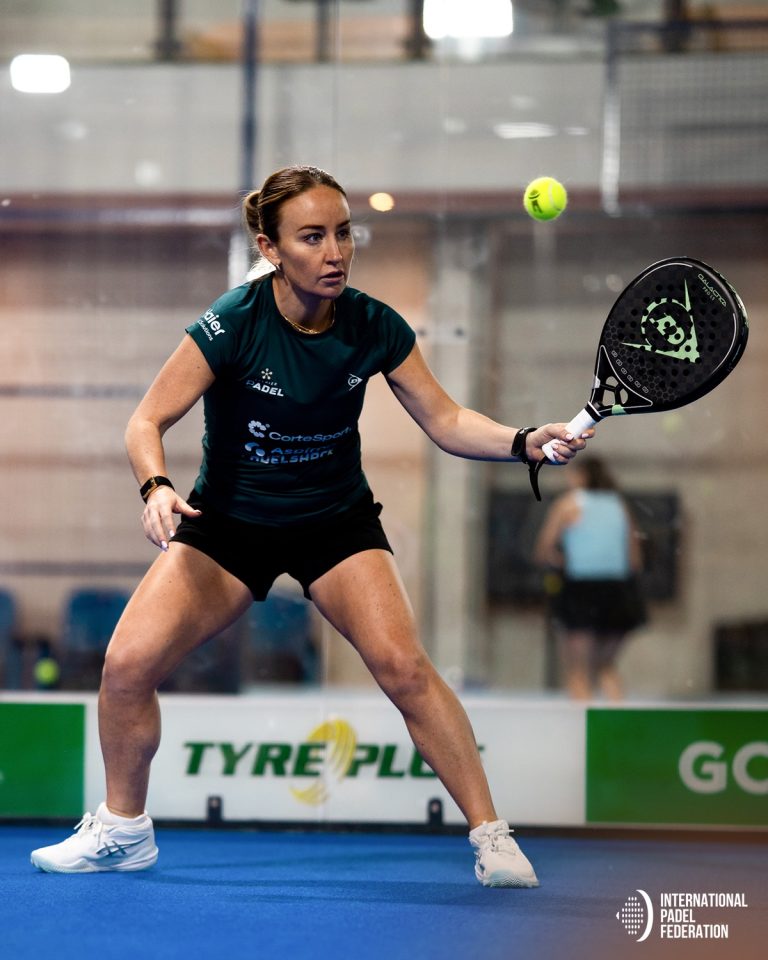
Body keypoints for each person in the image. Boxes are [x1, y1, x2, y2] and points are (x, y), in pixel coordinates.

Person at [31, 165, 591, 886]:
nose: (336, 252)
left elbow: (447, 420)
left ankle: (493, 838)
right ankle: (123, 830)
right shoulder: (233, 321)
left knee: (405, 670)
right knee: (126, 666)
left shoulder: (374, 324)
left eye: (344, 233)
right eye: (313, 237)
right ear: (270, 248)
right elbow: (146, 420)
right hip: (228, 525)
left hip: (334, 522)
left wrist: (524, 441)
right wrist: (156, 486)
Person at [534, 456, 646, 702]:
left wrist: (562, 563)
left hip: (582, 588)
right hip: (617, 589)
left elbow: (544, 549)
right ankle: (617, 713)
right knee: (606, 666)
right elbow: (635, 559)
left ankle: (580, 718)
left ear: (581, 477)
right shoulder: (619, 505)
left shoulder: (568, 504)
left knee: (578, 669)